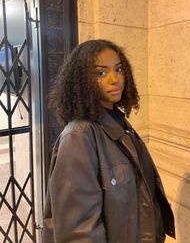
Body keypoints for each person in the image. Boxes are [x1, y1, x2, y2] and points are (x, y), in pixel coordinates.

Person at [43, 39, 175, 243]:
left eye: (119, 69)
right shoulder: (79, 136)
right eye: (101, 73)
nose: (115, 79)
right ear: (82, 80)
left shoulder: (119, 123)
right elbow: (78, 233)